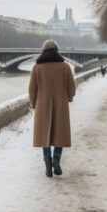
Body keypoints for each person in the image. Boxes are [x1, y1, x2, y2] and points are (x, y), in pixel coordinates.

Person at [28, 40, 76, 177]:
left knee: (45, 135)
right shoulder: (65, 67)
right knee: (60, 134)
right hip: (61, 105)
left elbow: (32, 89)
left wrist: (33, 103)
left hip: (42, 105)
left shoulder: (37, 68)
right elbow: (71, 87)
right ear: (57, 51)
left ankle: (48, 164)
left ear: (43, 51)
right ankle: (56, 159)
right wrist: (69, 97)